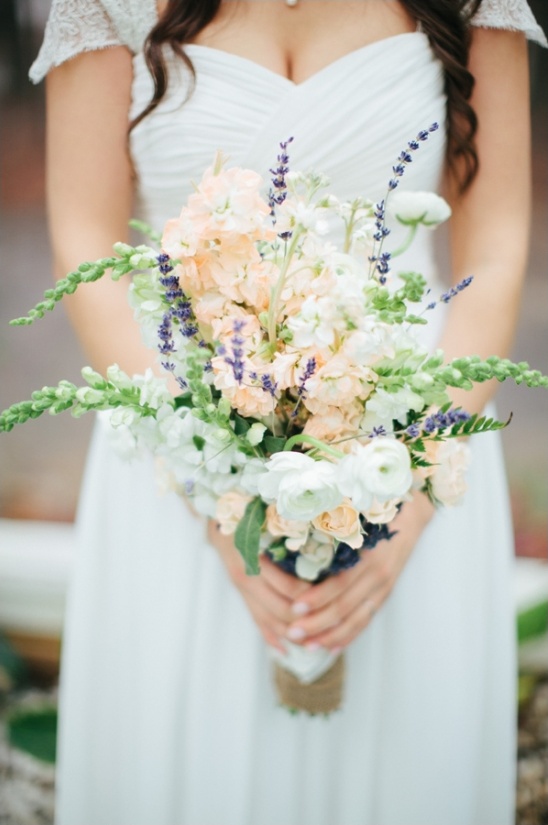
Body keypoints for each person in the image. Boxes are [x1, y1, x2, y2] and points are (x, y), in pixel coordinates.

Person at [30, 1, 546, 824]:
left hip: (409, 446)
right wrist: (212, 483)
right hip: (174, 462)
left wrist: (405, 494)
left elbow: (496, 246)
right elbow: (86, 238)